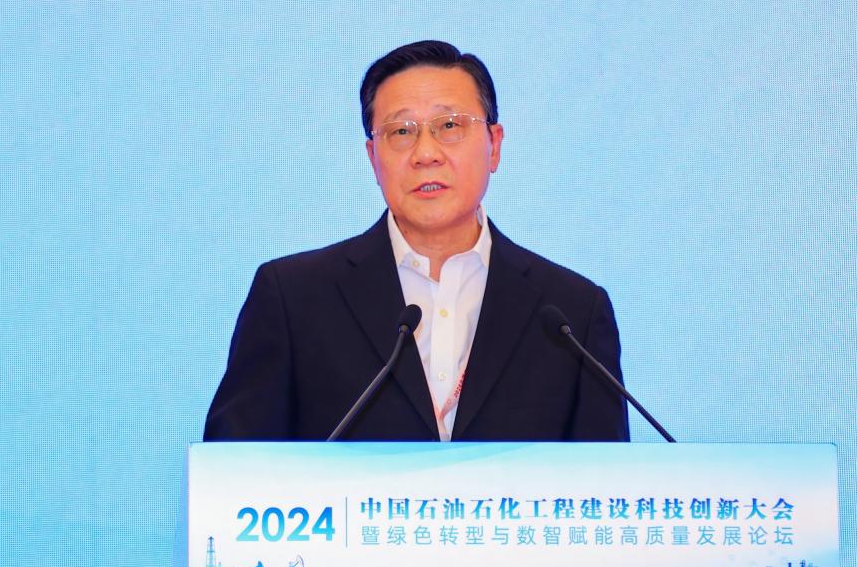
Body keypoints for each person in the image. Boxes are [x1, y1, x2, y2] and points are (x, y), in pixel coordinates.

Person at [203, 40, 629, 442]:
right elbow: (235, 471)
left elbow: (607, 484)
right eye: (401, 132)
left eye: (450, 125)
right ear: (373, 158)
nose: (426, 153)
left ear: (494, 145)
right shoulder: (293, 298)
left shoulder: (573, 314)